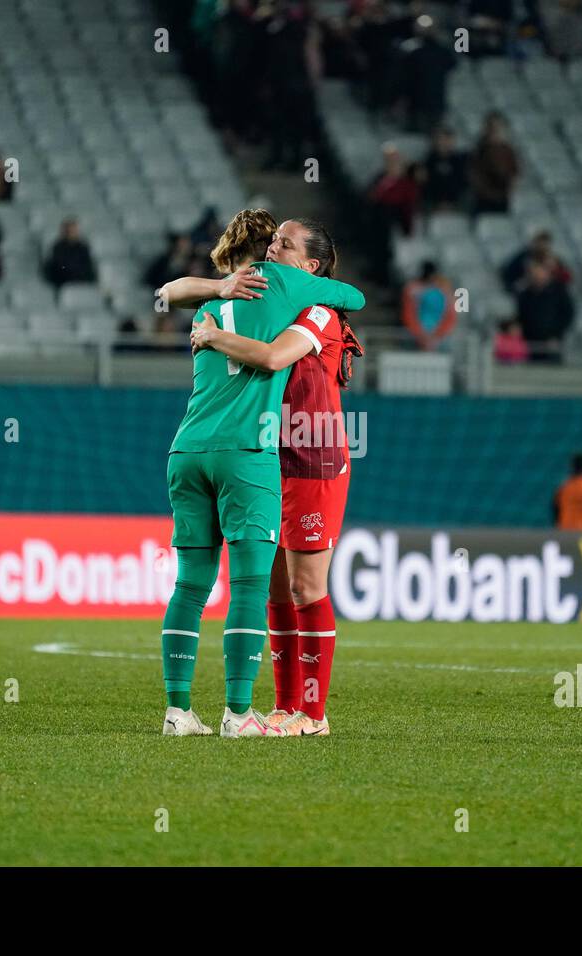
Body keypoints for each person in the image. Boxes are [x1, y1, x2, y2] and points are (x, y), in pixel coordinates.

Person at [153, 209, 365, 738]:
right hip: (267, 452)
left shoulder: (317, 311)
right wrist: (222, 290)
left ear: (311, 266)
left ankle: (312, 715)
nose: (275, 250)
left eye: (287, 245)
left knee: (306, 586)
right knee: (274, 591)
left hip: (311, 456)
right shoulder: (263, 299)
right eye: (272, 243)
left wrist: (211, 335)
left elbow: (273, 358)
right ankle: (283, 707)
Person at [400, 260, 456, 351]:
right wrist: (419, 334)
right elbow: (407, 314)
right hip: (416, 337)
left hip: (439, 337)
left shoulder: (445, 290)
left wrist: (438, 334)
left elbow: (451, 315)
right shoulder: (412, 289)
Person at [44, 217, 96, 287]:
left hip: (81, 280)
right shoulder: (58, 247)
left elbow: (87, 266)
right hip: (64, 280)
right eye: (68, 230)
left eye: (73, 230)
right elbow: (60, 266)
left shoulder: (83, 247)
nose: (71, 233)